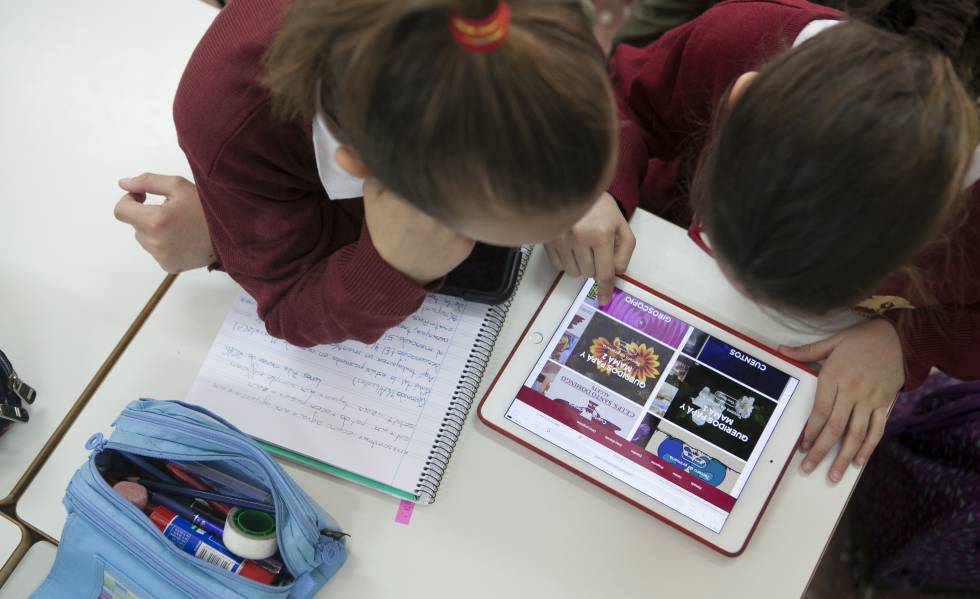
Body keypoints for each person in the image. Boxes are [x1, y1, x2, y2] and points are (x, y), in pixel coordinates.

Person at [113, 0, 633, 346]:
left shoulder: (542, 26)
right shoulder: (231, 115)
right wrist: (390, 267)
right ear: (361, 169)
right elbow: (289, 302)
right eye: (473, 225)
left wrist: (586, 187)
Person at [607, 0, 980, 482]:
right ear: (741, 98)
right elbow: (620, 97)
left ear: (934, 232)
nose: (742, 292)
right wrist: (598, 183)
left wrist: (903, 341)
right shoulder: (740, 38)